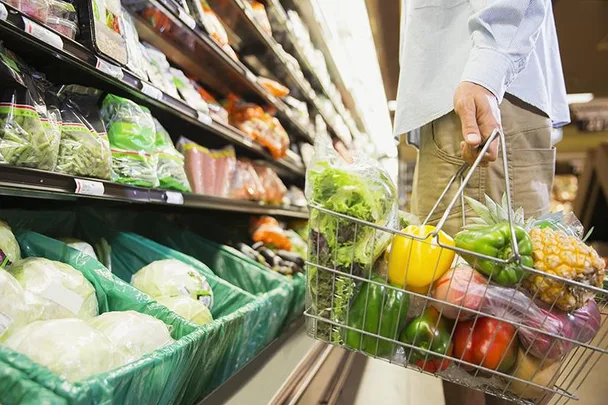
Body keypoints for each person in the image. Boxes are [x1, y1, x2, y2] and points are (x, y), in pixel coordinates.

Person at [394, 1, 569, 404]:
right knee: (458, 320)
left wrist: (487, 71)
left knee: (496, 334)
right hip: (466, 87)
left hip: (478, 87)